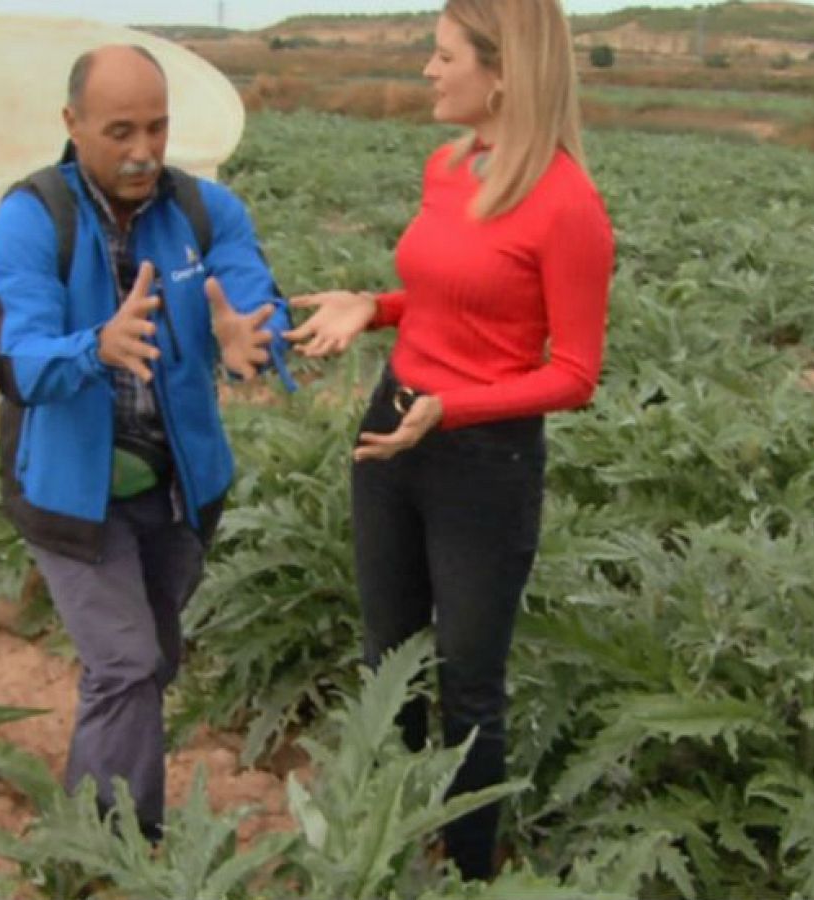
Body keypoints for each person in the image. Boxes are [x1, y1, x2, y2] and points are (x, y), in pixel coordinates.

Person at [284, 0, 614, 879]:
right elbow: (440, 298)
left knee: (468, 687)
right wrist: (374, 307)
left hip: (483, 462)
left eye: (442, 56)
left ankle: (468, 875)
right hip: (392, 429)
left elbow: (576, 372)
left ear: (503, 72)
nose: (428, 71)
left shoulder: (568, 205)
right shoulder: (447, 167)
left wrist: (456, 408)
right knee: (387, 664)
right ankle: (379, 854)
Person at [0, 43, 293, 841]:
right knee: (127, 663)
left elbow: (254, 295)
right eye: (120, 130)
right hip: (70, 490)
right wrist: (96, 347)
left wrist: (255, 337)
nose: (144, 151)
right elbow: (17, 359)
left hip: (179, 487)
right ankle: (114, 849)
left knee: (149, 661)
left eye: (156, 127)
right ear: (72, 124)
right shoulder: (31, 217)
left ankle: (89, 818)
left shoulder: (202, 211)